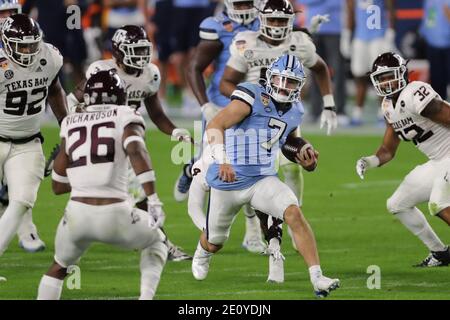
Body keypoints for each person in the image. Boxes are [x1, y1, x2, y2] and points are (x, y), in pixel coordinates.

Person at [192, 53, 340, 298]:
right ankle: (203, 251)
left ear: (299, 86)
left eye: (291, 82)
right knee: (215, 241)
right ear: (270, 78)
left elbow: (287, 141)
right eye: (281, 80)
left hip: (262, 179)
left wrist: (305, 153)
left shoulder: (295, 110)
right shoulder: (252, 96)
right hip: (228, 180)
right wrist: (222, 160)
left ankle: (317, 277)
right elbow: (215, 125)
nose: (284, 86)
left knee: (293, 211)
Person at [219, 0, 338, 280]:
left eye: (281, 21)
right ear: (261, 20)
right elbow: (225, 82)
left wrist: (330, 104)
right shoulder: (245, 42)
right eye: (271, 21)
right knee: (252, 176)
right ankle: (251, 229)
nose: (276, 26)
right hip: (251, 122)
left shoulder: (299, 43)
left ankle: (294, 217)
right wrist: (248, 101)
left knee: (294, 165)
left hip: (285, 117)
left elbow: (320, 68)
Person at [65, 25, 192, 261]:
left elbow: (156, 114)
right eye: (135, 50)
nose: (142, 56)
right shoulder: (101, 70)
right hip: (102, 144)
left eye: (144, 49)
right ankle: (158, 243)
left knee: (133, 194)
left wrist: (175, 132)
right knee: (134, 195)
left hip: (130, 144)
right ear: (118, 51)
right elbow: (71, 100)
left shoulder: (150, 74)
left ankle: (150, 240)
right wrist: (80, 120)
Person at [37, 70, 167, 300]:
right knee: (158, 242)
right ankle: (146, 297)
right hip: (115, 212)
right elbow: (136, 150)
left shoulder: (70, 121)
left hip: (76, 215)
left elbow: (57, 186)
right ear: (119, 95)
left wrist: (86, 178)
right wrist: (153, 199)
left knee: (58, 267)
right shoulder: (125, 114)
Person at [180, 0, 266, 254]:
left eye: (248, 2)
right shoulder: (217, 26)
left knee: (252, 167)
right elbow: (194, 67)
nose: (244, 7)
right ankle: (191, 173)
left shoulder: (266, 22)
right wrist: (205, 106)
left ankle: (252, 233)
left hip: (254, 106)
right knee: (210, 169)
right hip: (221, 106)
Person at [356, 52, 450, 267]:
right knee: (397, 204)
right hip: (438, 160)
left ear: (402, 74)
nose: (386, 82)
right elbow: (388, 150)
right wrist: (368, 161)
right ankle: (440, 253)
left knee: (439, 203)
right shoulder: (388, 106)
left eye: (390, 76)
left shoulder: (414, 92)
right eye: (381, 78)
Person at [0, 14, 68, 267]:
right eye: (22, 45)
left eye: (32, 44)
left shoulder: (48, 57)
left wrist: (68, 126)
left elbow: (55, 91)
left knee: (21, 202)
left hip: (28, 144)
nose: (28, 51)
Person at [0, 0, 47, 253]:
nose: (5, 17)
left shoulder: (40, 48)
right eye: (1, 12)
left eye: (10, 12)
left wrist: (70, 127)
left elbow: (56, 89)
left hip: (27, 137)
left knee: (22, 196)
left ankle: (26, 229)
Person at [341, 0, 396, 125]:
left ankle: (383, 113)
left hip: (378, 36)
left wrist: (391, 32)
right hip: (360, 37)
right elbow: (351, 11)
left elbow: (391, 9)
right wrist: (347, 34)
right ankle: (357, 113)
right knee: (359, 76)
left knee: (381, 77)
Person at [301, 0, 348, 124]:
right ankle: (315, 111)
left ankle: (340, 110)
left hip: (336, 29)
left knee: (338, 71)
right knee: (314, 69)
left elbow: (340, 3)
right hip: (314, 29)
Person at [419, 0, 450, 101]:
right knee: (437, 81)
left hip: (447, 45)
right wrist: (423, 33)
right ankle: (440, 110)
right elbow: (428, 19)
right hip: (432, 44)